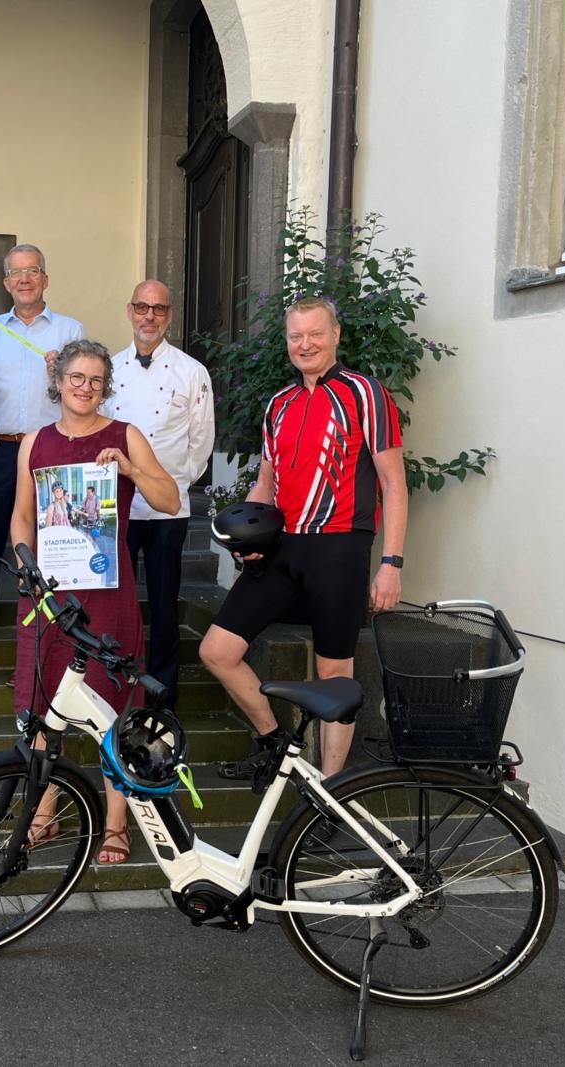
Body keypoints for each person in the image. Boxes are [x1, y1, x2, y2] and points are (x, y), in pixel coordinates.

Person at [198, 297, 407, 781]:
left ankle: (331, 794)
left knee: (334, 673)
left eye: (315, 334)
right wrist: (245, 533)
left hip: (339, 547)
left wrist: (391, 563)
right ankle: (275, 743)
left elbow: (394, 484)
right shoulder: (279, 403)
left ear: (335, 335)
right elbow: (266, 483)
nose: (305, 344)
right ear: (287, 341)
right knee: (217, 651)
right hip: (282, 547)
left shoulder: (365, 393)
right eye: (296, 336)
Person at [10, 339, 180, 864]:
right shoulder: (34, 442)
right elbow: (22, 513)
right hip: (50, 593)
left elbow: (170, 500)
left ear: (107, 387)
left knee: (112, 702)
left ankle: (114, 823)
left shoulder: (123, 436)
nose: (86, 388)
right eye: (76, 378)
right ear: (58, 381)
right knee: (44, 706)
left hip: (107, 591)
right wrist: (24, 564)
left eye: (96, 380)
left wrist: (130, 470)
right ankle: (45, 812)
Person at [0, 244, 85, 675]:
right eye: (16, 273)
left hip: (52, 451)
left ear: (45, 279)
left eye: (33, 271)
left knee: (52, 555)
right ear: (6, 282)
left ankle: (47, 655)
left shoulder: (69, 328)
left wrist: (62, 374)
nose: (24, 279)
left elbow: (89, 390)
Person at [101, 280, 214, 709]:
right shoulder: (110, 370)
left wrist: (172, 485)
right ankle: (118, 682)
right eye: (142, 308)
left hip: (168, 506)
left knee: (164, 604)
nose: (150, 316)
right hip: (121, 506)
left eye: (159, 309)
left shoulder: (191, 371)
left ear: (169, 315)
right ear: (129, 311)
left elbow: (201, 444)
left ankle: (163, 692)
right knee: (118, 600)